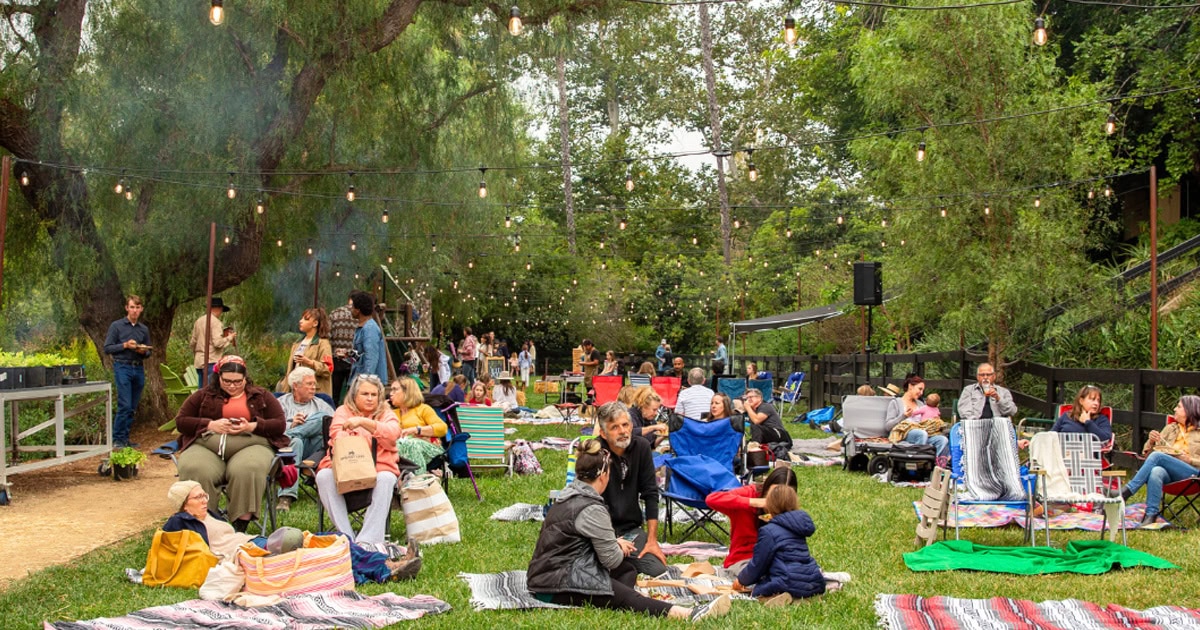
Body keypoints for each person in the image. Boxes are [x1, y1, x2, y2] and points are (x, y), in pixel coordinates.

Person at [527, 438, 731, 621]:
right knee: (625, 594)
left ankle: (629, 598)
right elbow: (611, 559)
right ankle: (687, 614)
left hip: (548, 573)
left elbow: (573, 540)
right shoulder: (591, 508)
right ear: (604, 475)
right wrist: (619, 549)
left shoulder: (568, 495)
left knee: (627, 570)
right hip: (555, 583)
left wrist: (614, 542)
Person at [174, 356, 286, 532]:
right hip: (207, 446)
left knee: (249, 468)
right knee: (194, 467)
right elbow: (181, 421)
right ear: (218, 378)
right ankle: (202, 523)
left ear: (245, 378)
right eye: (227, 381)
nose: (232, 386)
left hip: (251, 446)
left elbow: (280, 424)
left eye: (237, 382)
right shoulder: (203, 395)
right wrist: (210, 424)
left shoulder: (261, 395)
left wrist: (252, 425)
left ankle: (239, 526)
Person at [316, 374, 401, 544]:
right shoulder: (343, 411)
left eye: (374, 395)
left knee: (387, 478)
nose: (370, 399)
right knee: (323, 476)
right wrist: (374, 436)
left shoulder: (386, 413)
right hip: (346, 468)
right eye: (365, 394)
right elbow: (337, 435)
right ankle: (346, 537)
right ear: (354, 395)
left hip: (379, 469)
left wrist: (362, 423)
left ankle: (367, 541)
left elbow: (393, 434)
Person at [593, 402, 668, 578]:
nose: (623, 431)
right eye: (615, 427)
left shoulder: (641, 447)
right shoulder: (595, 452)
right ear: (603, 433)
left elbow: (650, 494)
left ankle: (615, 563)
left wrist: (652, 541)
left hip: (630, 531)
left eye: (625, 425)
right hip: (600, 532)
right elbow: (585, 501)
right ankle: (614, 561)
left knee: (656, 569)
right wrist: (609, 541)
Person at [733, 485, 828, 605]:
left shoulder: (769, 531)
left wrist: (742, 580)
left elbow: (758, 564)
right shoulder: (797, 526)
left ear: (770, 504)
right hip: (814, 581)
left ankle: (778, 597)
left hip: (786, 581)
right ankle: (803, 598)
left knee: (757, 591)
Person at [1122, 396, 1200, 526]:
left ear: (1189, 410)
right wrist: (1151, 441)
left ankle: (1127, 491)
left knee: (1158, 456)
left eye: (1179, 407)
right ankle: (1151, 515)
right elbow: (1148, 455)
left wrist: (1189, 459)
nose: (1175, 409)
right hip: (1170, 475)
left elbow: (1156, 456)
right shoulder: (1170, 428)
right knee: (1156, 471)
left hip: (1192, 475)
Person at [705, 466, 798, 573]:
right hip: (745, 559)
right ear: (767, 488)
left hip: (776, 559)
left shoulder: (787, 506)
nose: (778, 499)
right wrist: (753, 502)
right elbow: (711, 499)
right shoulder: (750, 493)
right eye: (774, 493)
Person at [275, 367, 335, 512]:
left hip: (315, 450)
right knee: (295, 442)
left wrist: (301, 428)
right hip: (287, 449)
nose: (314, 387)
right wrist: (291, 423)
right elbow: (273, 428)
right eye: (309, 384)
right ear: (295, 385)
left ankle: (293, 433)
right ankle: (286, 497)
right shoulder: (281, 403)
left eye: (314, 384)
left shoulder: (320, 403)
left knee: (322, 417)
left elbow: (335, 425)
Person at [103, 295, 151, 449]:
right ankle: (117, 439)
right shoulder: (116, 326)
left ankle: (125, 438)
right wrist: (124, 345)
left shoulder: (143, 329)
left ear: (141, 309)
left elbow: (149, 350)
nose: (135, 311)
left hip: (138, 367)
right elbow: (108, 348)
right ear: (126, 308)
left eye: (137, 308)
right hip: (122, 366)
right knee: (124, 404)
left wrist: (143, 351)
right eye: (132, 307)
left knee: (132, 405)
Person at [162, 480, 252, 561]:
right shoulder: (179, 521)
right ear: (184, 504)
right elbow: (166, 547)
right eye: (198, 497)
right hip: (241, 552)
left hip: (249, 542)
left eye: (205, 496)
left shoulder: (209, 514)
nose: (205, 501)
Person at [884, 375, 949, 461]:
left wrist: (934, 420)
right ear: (910, 386)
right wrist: (904, 416)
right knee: (921, 434)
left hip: (924, 433)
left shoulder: (921, 404)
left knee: (942, 439)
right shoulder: (896, 403)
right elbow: (888, 426)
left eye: (922, 390)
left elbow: (926, 421)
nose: (921, 393)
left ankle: (932, 464)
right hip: (905, 433)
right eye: (920, 389)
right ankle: (917, 462)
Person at [281, 308, 333, 396]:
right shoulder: (297, 343)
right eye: (301, 318)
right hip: (295, 392)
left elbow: (328, 369)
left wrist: (309, 362)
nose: (300, 321)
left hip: (315, 393)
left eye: (306, 319)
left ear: (315, 323)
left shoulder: (323, 343)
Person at [188, 296, 235, 387]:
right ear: (219, 308)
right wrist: (229, 338)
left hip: (199, 361)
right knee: (211, 390)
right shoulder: (216, 322)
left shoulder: (199, 321)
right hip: (211, 361)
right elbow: (217, 343)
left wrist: (197, 353)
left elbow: (193, 342)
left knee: (201, 391)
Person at [348, 292, 389, 385]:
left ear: (358, 310)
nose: (351, 309)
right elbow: (360, 354)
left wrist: (367, 381)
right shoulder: (362, 328)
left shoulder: (370, 329)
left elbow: (371, 357)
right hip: (358, 377)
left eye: (352, 307)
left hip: (368, 382)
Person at [743, 388, 793, 460]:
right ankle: (754, 447)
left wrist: (747, 408)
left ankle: (754, 449)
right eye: (747, 398)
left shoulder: (765, 406)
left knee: (756, 425)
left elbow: (756, 421)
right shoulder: (754, 410)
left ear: (759, 398)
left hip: (779, 433)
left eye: (751, 397)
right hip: (767, 434)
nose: (748, 400)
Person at [329, 297, 357, 401]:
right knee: (353, 393)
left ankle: (333, 413)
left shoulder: (335, 313)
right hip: (354, 360)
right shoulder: (361, 316)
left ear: (349, 298)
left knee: (334, 392)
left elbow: (328, 335)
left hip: (336, 359)